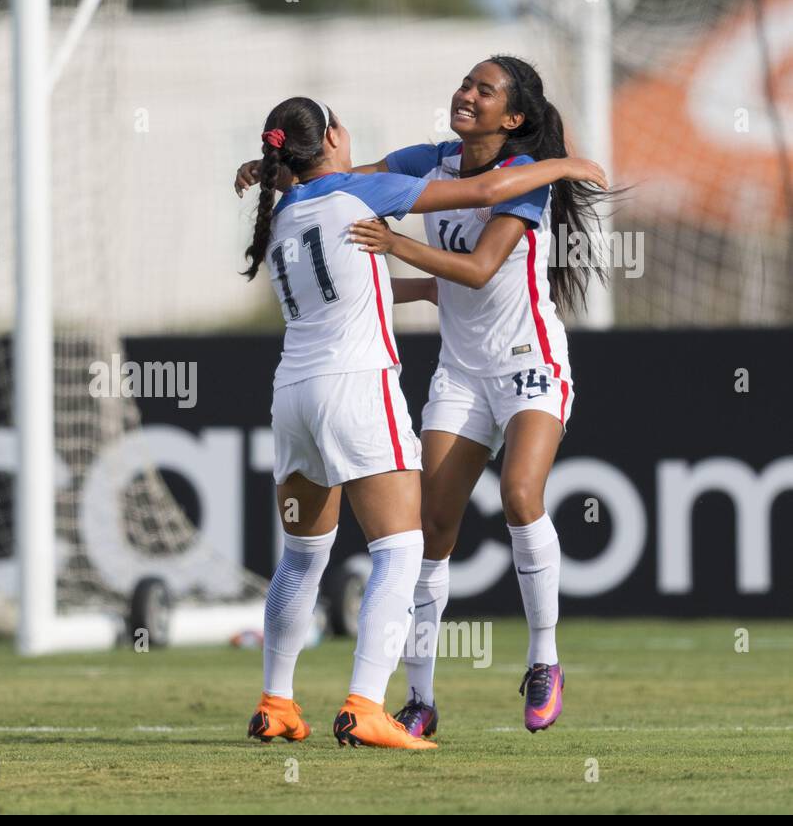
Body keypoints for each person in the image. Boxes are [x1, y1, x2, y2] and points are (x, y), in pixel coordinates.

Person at [239, 95, 605, 750]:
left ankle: (276, 702)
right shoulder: (363, 191)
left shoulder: (286, 213)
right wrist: (565, 164)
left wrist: (272, 171)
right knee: (403, 548)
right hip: (356, 387)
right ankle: (366, 705)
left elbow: (361, 284)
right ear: (331, 139)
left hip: (291, 394)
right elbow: (489, 187)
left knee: (300, 560)